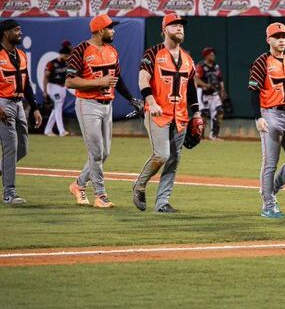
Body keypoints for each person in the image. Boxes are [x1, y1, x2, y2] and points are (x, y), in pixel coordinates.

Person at [66, 15, 143, 208]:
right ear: (100, 30)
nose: (113, 31)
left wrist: (132, 99)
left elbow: (117, 78)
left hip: (107, 105)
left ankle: (78, 185)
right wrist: (99, 82)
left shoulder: (112, 50)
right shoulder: (80, 50)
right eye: (110, 28)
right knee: (96, 152)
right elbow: (70, 81)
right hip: (87, 104)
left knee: (104, 153)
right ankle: (100, 195)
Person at [132, 13, 200, 213]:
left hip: (180, 116)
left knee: (174, 159)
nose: (179, 28)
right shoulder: (153, 53)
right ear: (164, 30)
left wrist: (196, 113)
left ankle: (162, 203)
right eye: (174, 25)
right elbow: (143, 79)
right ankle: (139, 185)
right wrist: (151, 102)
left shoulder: (187, 58)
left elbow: (191, 87)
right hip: (158, 114)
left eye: (181, 25)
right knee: (161, 155)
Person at [248, 22, 285, 218]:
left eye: (284, 37)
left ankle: (271, 188)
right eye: (277, 37)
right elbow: (254, 91)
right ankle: (268, 205)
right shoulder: (261, 62)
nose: (281, 40)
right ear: (268, 40)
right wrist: (258, 117)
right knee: (270, 163)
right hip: (270, 115)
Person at [0, 20, 42, 204]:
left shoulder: (21, 54)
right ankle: (9, 193)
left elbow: (26, 83)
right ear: (5, 32)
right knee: (11, 147)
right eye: (16, 30)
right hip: (3, 102)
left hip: (18, 104)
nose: (20, 32)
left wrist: (35, 107)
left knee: (23, 147)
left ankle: (3, 170)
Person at [195, 47, 227, 140]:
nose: (213, 56)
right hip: (203, 93)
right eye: (211, 54)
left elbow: (220, 79)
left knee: (219, 112)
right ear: (206, 55)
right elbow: (196, 79)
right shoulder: (201, 66)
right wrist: (206, 85)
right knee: (203, 114)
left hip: (214, 93)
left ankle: (214, 135)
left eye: (213, 54)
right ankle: (200, 136)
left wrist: (222, 90)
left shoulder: (216, 66)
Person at [43, 41, 72, 137]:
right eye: (66, 56)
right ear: (61, 54)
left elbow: (73, 72)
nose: (67, 58)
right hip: (54, 86)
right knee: (58, 105)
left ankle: (48, 130)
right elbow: (46, 77)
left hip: (63, 87)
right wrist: (45, 91)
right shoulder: (52, 63)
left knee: (56, 108)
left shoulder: (66, 63)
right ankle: (62, 131)